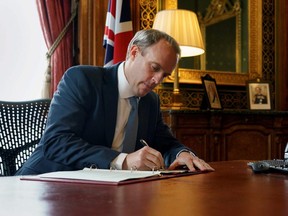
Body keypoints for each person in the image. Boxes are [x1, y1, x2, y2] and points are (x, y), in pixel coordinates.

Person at [15, 29, 214, 175]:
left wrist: (182, 154)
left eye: (165, 75)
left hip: (104, 196)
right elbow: (56, 142)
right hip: (45, 184)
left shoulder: (150, 101)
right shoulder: (82, 79)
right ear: (134, 53)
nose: (157, 81)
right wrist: (123, 161)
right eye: (154, 68)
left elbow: (167, 143)